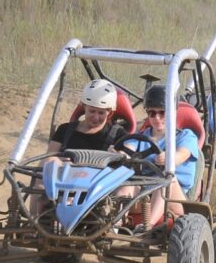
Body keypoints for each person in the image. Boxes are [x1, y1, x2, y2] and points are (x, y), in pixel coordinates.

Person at [31, 79, 126, 217]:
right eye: (91, 111)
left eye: (101, 113)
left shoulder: (118, 134)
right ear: (83, 107)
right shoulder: (65, 130)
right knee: (49, 162)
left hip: (97, 191)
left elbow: (126, 160)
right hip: (61, 185)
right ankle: (34, 221)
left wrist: (117, 155)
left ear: (110, 113)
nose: (95, 117)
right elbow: (49, 157)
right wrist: (61, 161)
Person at [119, 84, 200, 230]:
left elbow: (182, 154)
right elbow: (126, 151)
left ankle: (147, 226)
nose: (157, 118)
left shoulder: (185, 136)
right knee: (123, 185)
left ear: (173, 112)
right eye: (152, 113)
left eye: (162, 113)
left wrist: (170, 158)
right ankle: (114, 225)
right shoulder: (140, 136)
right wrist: (118, 155)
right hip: (143, 193)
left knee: (165, 177)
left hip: (175, 198)